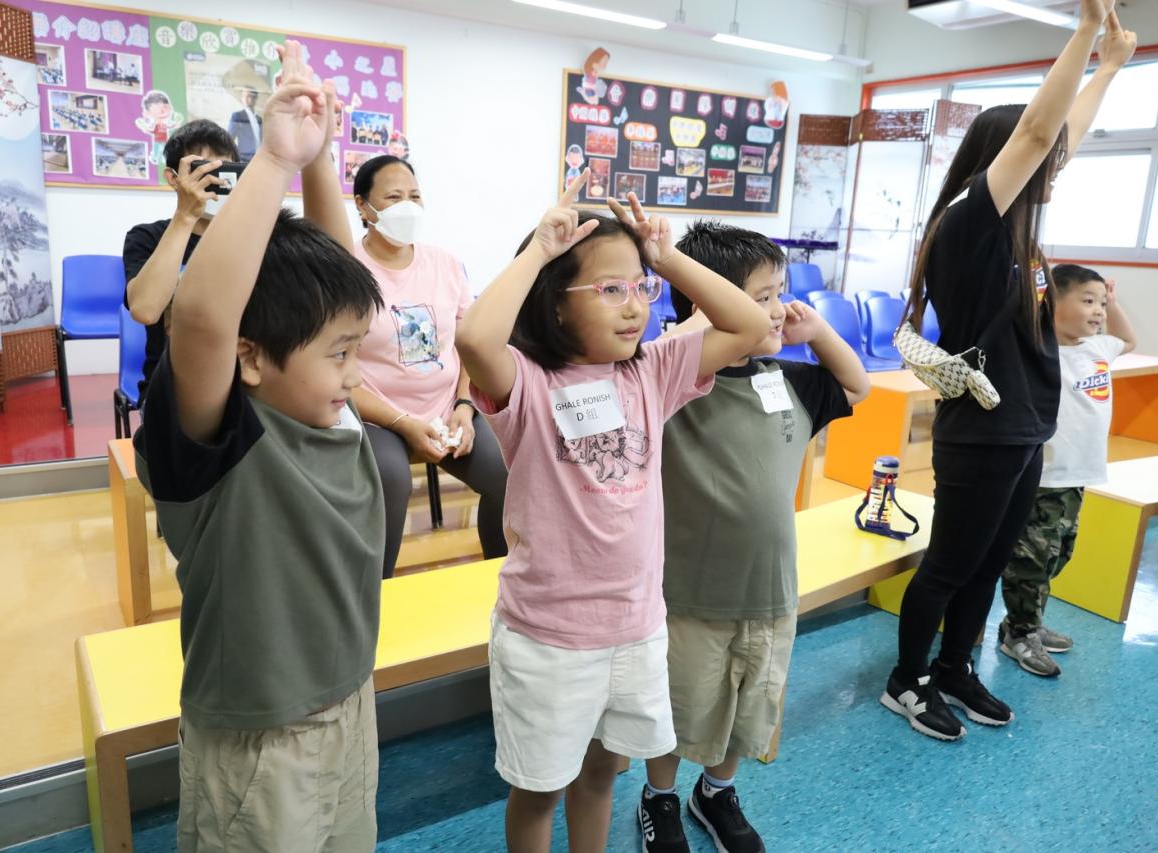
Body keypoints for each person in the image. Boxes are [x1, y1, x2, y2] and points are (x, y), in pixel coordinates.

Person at [455, 175, 773, 853]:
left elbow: (749, 325)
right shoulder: (528, 383)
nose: (634, 307)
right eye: (609, 289)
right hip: (549, 638)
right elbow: (475, 339)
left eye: (640, 288)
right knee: (540, 790)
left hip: (635, 628)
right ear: (556, 305)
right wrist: (539, 252)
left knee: (603, 774)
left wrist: (667, 258)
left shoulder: (650, 370)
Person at [133, 42, 385, 850]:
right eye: (339, 355)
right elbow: (203, 319)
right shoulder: (223, 440)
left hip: (350, 701)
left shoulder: (327, 408)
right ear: (250, 358)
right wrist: (274, 159)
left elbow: (338, 283)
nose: (355, 372)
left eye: (354, 350)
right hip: (259, 741)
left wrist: (321, 154)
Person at [886, 0, 1136, 741]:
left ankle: (955, 666)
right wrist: (1084, 32)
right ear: (1010, 159)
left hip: (1025, 426)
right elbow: (1036, 132)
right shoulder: (972, 219)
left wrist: (1111, 68)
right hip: (983, 429)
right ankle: (907, 680)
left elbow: (1057, 137)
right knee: (950, 564)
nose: (1057, 164)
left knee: (991, 561)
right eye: (1046, 157)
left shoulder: (1024, 230)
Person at [637, 223, 868, 853]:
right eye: (760, 297)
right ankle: (659, 796)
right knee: (679, 706)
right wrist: (700, 321)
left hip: (770, 591)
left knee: (749, 706)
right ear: (707, 302)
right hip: (689, 594)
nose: (775, 310)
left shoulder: (787, 379)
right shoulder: (673, 386)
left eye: (779, 293)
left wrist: (816, 334)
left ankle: (716, 791)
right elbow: (643, 364)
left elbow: (856, 386)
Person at [337, 154, 508, 577]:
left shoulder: (445, 263)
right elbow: (337, 369)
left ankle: (502, 581)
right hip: (379, 416)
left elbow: (468, 342)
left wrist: (465, 405)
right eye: (393, 197)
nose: (407, 207)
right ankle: (374, 593)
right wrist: (404, 423)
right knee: (390, 480)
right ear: (362, 206)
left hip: (449, 409)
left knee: (510, 471)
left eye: (414, 196)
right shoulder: (346, 269)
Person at [999, 265, 1136, 677]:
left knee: (1059, 554)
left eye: (1102, 303)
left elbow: (1129, 340)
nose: (1098, 311)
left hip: (1079, 475)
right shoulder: (1039, 352)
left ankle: (1028, 620)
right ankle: (1019, 632)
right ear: (1053, 303)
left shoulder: (1099, 348)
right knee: (1031, 560)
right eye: (1088, 301)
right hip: (1044, 477)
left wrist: (1115, 303)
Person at [123, 120, 237, 405]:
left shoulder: (251, 239)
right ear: (173, 178)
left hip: (242, 385)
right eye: (202, 171)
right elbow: (145, 310)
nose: (214, 181)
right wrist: (186, 216)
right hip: (173, 391)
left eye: (224, 171)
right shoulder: (147, 237)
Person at [227, 86, 262, 160]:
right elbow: (229, 138)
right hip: (244, 159)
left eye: (248, 96)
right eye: (243, 96)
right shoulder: (237, 115)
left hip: (259, 158)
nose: (245, 99)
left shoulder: (259, 119)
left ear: (255, 98)